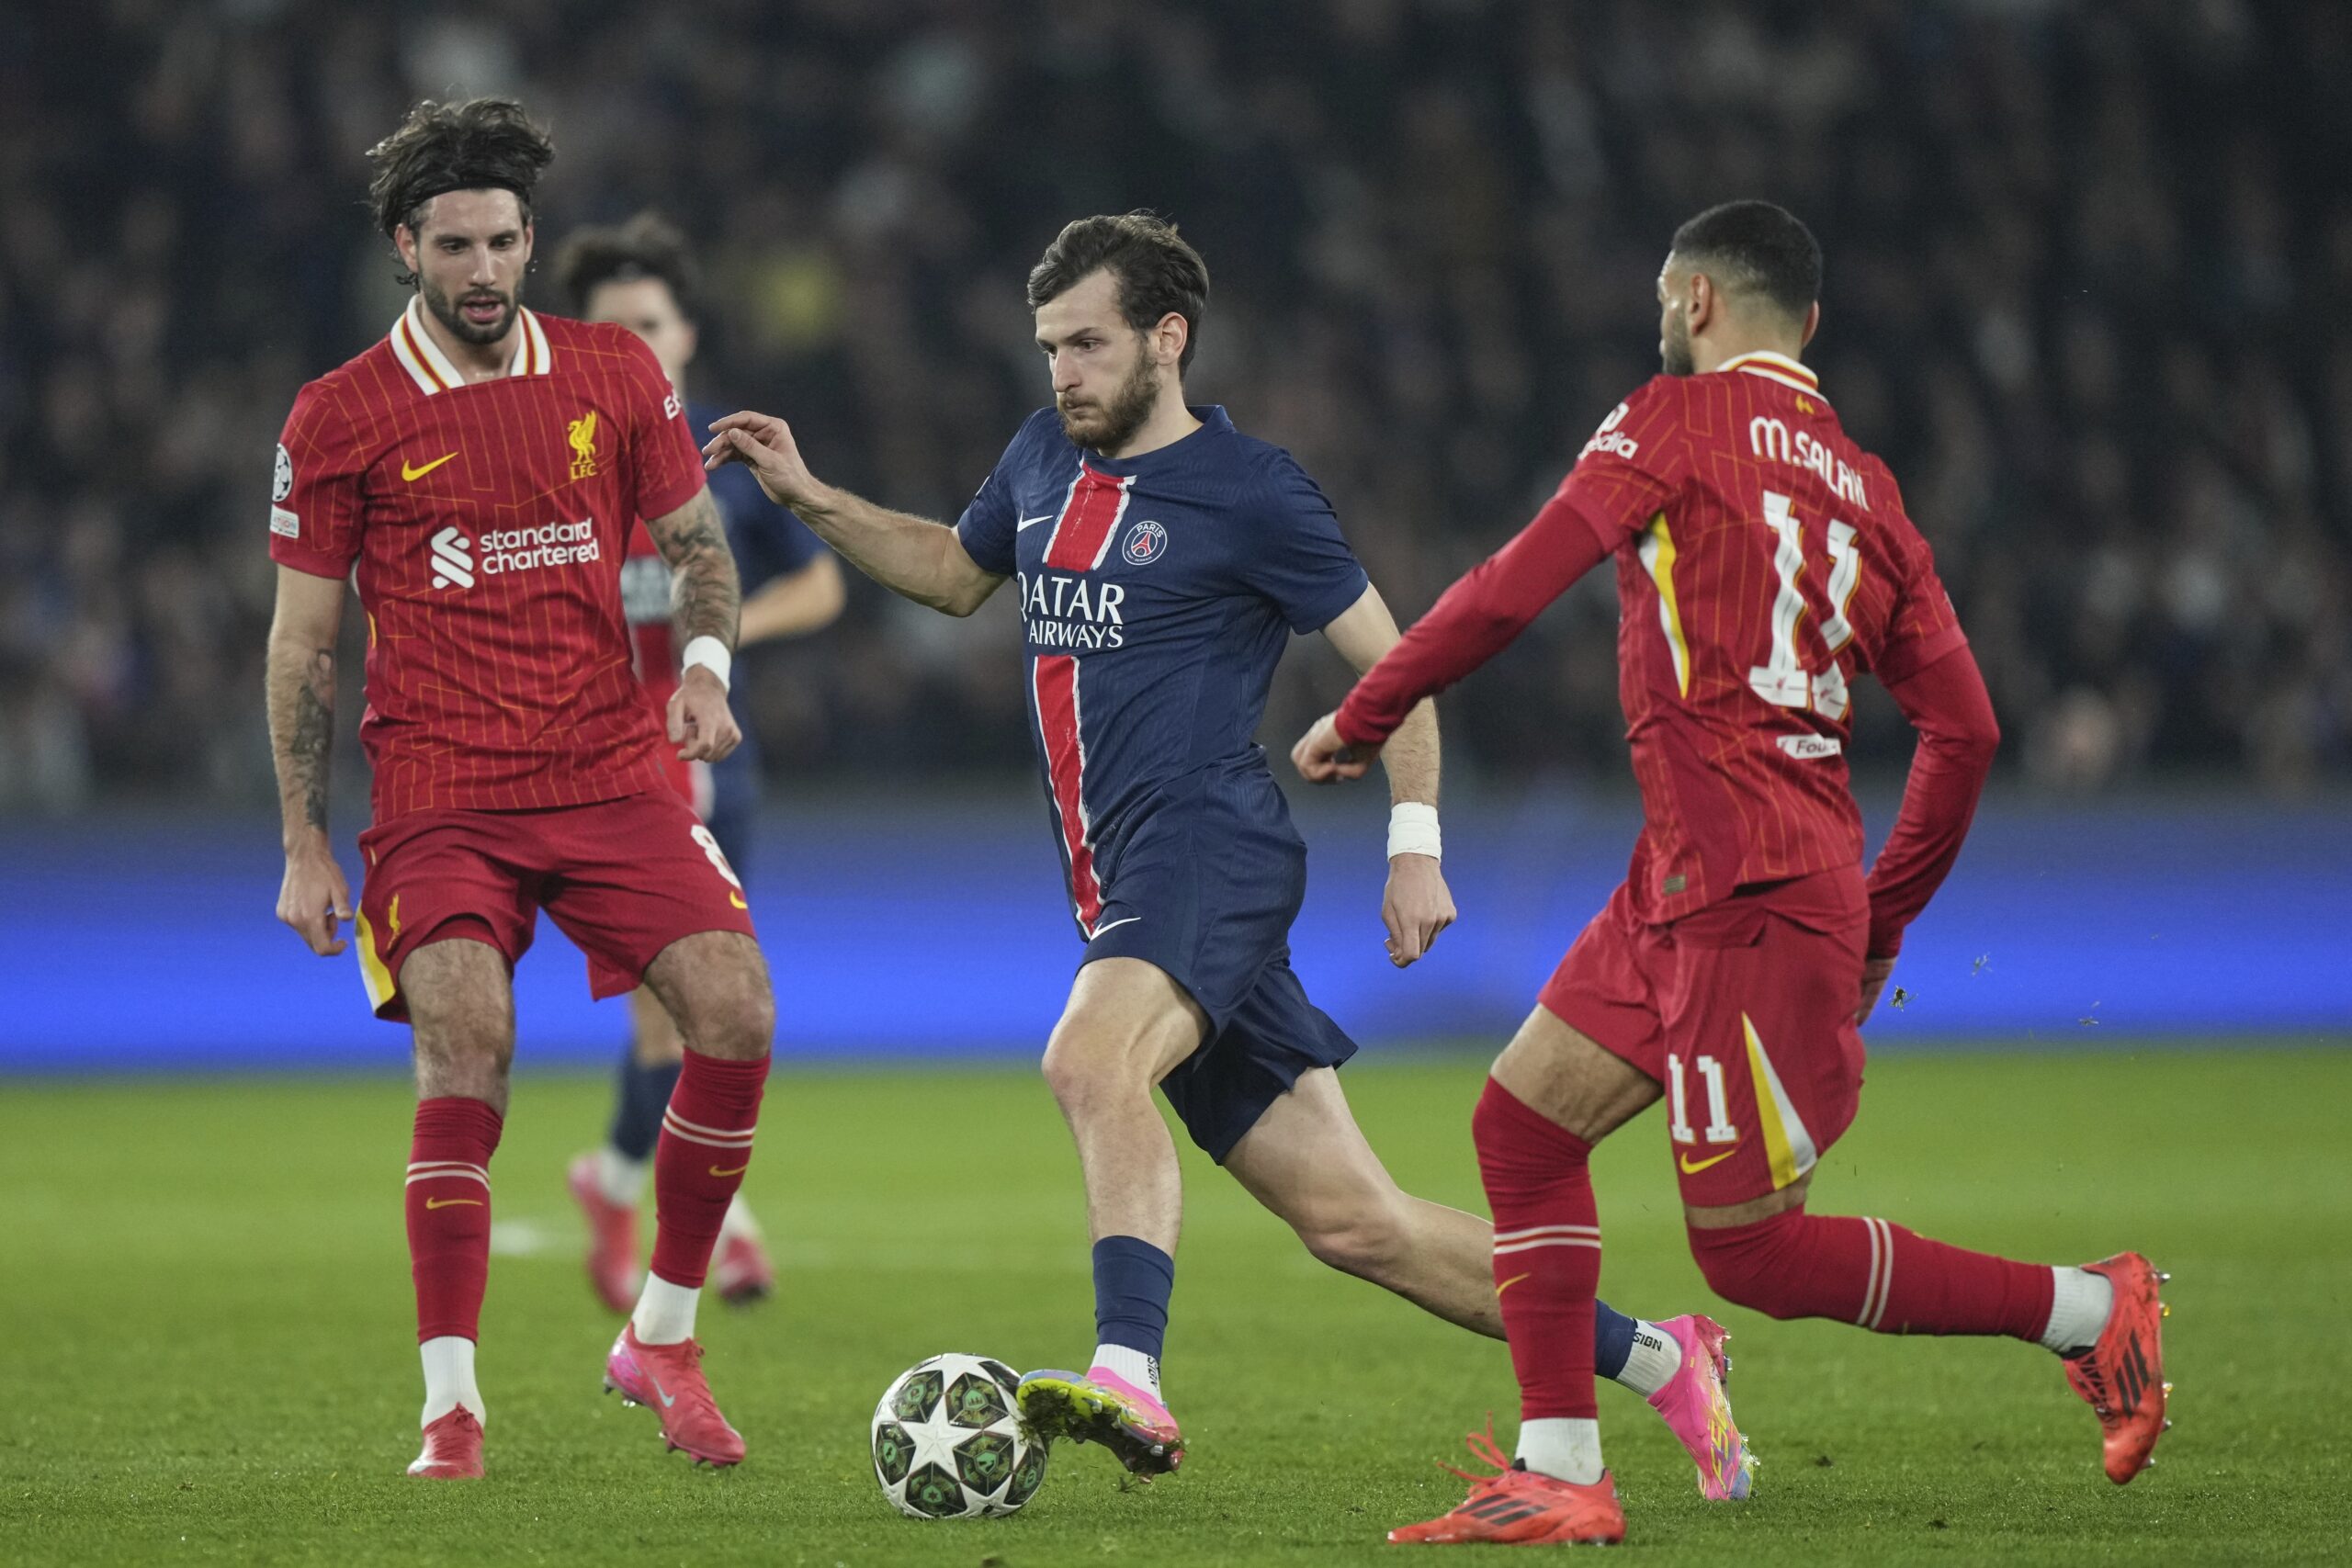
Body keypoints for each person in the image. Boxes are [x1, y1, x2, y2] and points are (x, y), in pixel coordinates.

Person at [705, 212, 1753, 1498]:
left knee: (1088, 1060)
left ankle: (1128, 1371)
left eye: (1088, 344)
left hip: (1210, 851)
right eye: (1049, 347)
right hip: (1122, 887)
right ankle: (1665, 1357)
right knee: (1360, 1223)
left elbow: (1401, 668)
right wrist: (812, 498)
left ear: (1168, 338)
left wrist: (1413, 844)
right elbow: (954, 571)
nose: (1062, 372)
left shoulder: (1254, 491)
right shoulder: (1039, 455)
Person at [1293, 199, 2170, 1547]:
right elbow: (1969, 730)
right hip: (1696, 879)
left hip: (1749, 896)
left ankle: (2094, 1311)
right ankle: (1561, 1466)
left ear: (1696, 300)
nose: (1662, 314)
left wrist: (1366, 712)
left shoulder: (1669, 421)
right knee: (1522, 1127)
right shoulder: (1868, 490)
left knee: (1753, 1249)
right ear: (1806, 322)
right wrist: (1880, 920)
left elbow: (1511, 587)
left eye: (1664, 293)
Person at [265, 98, 776, 1480]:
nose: (483, 270)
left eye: (502, 243)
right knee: (468, 1042)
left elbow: (698, 546)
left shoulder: (614, 370)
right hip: (441, 789)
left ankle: (660, 1339)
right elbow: (305, 643)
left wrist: (707, 670)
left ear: (531, 238)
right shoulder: (339, 414)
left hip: (611, 770)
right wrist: (304, 840)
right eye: (455, 247)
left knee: (737, 1009)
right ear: (405, 249)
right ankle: (452, 1407)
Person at [552, 212, 845, 1314]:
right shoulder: (554, 464)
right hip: (605, 777)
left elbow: (821, 584)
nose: (632, 343)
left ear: (684, 335)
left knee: (708, 1014)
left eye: (649, 323)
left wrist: (716, 640)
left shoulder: (722, 462)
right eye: (609, 328)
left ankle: (613, 1180)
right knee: (671, 1022)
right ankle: (723, 1230)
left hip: (719, 765)